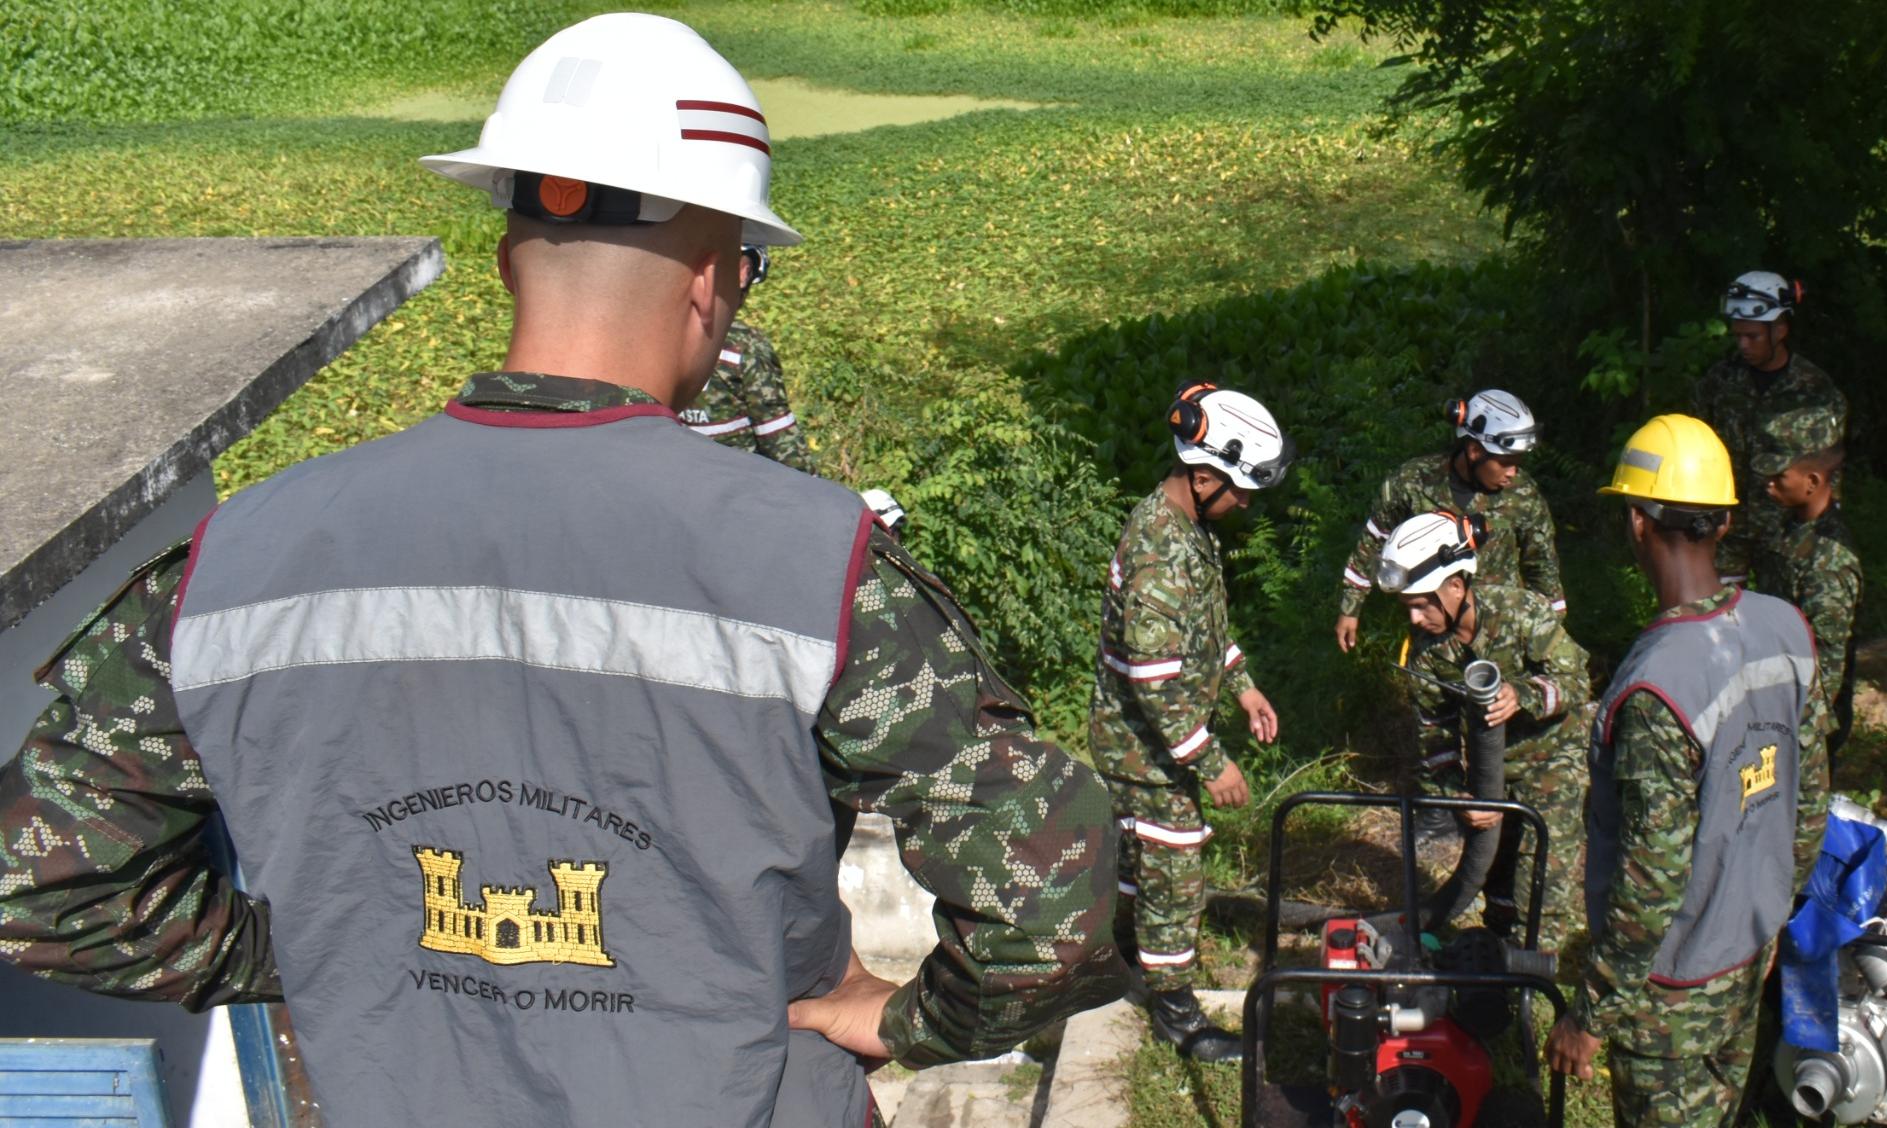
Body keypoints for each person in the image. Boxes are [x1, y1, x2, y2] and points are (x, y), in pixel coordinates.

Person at [0, 15, 1126, 1127]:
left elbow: (47, 885)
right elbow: (1048, 901)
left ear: (505, 260)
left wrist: (326, 952)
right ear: (711, 286)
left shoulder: (234, 561)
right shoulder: (812, 564)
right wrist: (910, 1022)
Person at [1546, 414, 1819, 1126]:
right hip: (1752, 947)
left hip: (1671, 983)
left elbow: (1653, 875)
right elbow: (1808, 796)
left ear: (1636, 521)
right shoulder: (1783, 626)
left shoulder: (1656, 683)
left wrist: (1589, 1012)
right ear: (1724, 521)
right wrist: (1771, 908)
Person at [1090, 381, 1289, 1063]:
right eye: (1239, 490)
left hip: (1155, 739)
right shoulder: (1160, 551)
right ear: (1202, 476)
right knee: (1175, 866)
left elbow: (1202, 634)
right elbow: (1154, 678)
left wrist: (1242, 685)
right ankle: (1174, 1009)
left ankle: (1118, 959)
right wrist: (1211, 761)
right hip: (1145, 746)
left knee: (1140, 859)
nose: (1245, 505)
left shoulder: (1188, 531)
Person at [1377, 510, 1596, 937]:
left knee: (1541, 896)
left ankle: (1536, 991)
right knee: (1498, 890)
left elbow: (1577, 681)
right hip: (1489, 775)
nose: (1415, 619)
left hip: (1553, 766)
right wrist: (1459, 796)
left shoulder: (1521, 613)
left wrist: (1524, 695)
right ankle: (1494, 976)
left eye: (1422, 604)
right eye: (1408, 607)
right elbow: (1434, 739)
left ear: (1456, 587)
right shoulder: (1428, 654)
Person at [1335, 389, 1566, 653]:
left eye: (1517, 463)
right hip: (1433, 635)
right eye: (1505, 463)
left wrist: (1550, 632)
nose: (1513, 473)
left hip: (1503, 635)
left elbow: (1542, 565)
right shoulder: (1413, 482)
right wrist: (1350, 609)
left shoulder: (1523, 496)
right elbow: (1374, 540)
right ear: (1475, 450)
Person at [1689, 271, 1847, 583]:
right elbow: (1696, 446)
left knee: (1779, 622)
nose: (1744, 345)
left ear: (1780, 330)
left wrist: (1821, 532)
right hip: (1726, 530)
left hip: (1785, 536)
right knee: (1721, 622)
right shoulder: (1719, 382)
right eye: (1738, 336)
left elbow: (1830, 467)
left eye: (1753, 336)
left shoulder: (1815, 390)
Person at [1756, 424, 1861, 872]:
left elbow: (1828, 661)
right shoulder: (1790, 528)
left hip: (1804, 716)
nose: (1769, 485)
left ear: (1813, 483)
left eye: (1780, 478)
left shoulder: (1830, 561)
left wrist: (1803, 732)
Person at [682, 244, 817, 472]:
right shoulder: (745, 344)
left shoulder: (663, 332)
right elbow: (777, 435)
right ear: (743, 272)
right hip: (735, 484)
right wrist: (815, 488)